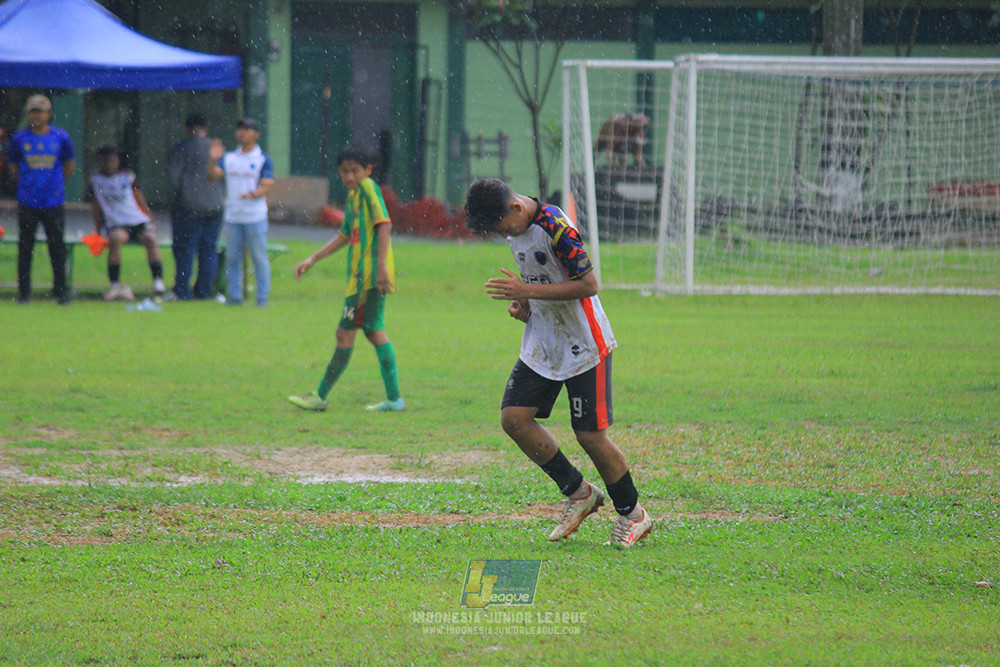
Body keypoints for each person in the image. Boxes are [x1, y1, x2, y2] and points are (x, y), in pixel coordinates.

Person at [463, 178, 653, 548]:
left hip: (582, 342)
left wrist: (527, 290)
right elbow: (542, 279)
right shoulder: (516, 229)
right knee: (514, 418)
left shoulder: (556, 228)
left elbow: (589, 285)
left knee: (590, 436)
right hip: (543, 340)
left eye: (503, 227)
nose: (505, 234)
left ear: (515, 208)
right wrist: (526, 304)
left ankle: (634, 515)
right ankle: (579, 493)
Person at [287, 145, 404, 413]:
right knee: (373, 331)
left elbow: (384, 224)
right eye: (344, 171)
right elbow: (344, 235)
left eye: (355, 171)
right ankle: (394, 399)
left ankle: (320, 396)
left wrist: (381, 267)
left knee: (346, 334)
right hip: (361, 277)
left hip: (368, 277)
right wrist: (312, 259)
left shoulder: (368, 188)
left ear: (368, 170)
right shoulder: (353, 196)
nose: (349, 177)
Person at [6, 94, 75, 305]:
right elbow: (13, 168)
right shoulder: (19, 139)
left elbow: (69, 166)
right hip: (27, 201)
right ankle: (24, 293)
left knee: (57, 248)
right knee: (25, 247)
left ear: (49, 114)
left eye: (40, 111)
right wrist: (29, 185)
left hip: (53, 201)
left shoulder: (61, 137)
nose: (36, 116)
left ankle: (61, 292)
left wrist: (54, 186)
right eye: (32, 112)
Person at [206, 118, 274, 306]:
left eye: (246, 129)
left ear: (256, 134)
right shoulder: (229, 158)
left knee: (259, 257)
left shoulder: (262, 159)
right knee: (232, 258)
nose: (242, 133)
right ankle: (234, 297)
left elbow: (267, 185)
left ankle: (262, 298)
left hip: (255, 217)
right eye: (239, 129)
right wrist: (212, 160)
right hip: (233, 217)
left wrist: (252, 194)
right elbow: (211, 176)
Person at [87, 145, 166, 301]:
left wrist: (149, 217)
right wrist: (98, 229)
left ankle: (158, 281)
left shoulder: (128, 176)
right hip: (116, 222)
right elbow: (96, 206)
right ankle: (115, 285)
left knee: (150, 238)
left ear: (118, 161)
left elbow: (139, 198)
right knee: (116, 239)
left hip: (136, 219)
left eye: (111, 160)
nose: (108, 164)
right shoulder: (95, 180)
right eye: (104, 160)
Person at [166, 113, 225, 301]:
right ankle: (204, 290)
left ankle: (182, 290)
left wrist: (177, 197)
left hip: (188, 205)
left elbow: (174, 178)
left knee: (185, 249)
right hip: (215, 205)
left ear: (187, 128)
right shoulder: (216, 148)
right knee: (209, 249)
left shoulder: (182, 148)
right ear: (206, 128)